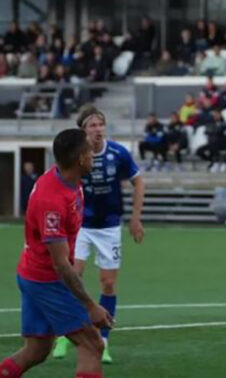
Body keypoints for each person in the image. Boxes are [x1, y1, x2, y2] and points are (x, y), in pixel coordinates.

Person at [1, 129, 113, 378]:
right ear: (80, 159)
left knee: (37, 349)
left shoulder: (66, 177)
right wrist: (91, 305)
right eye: (88, 151)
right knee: (92, 344)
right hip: (47, 280)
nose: (93, 154)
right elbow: (61, 265)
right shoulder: (51, 200)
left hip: (32, 274)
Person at [50, 106, 144, 365]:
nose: (98, 129)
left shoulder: (118, 153)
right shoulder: (75, 155)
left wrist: (135, 218)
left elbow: (139, 181)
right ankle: (64, 335)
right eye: (92, 125)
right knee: (73, 274)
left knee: (108, 283)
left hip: (110, 227)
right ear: (83, 130)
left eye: (101, 124)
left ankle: (103, 342)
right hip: (80, 226)